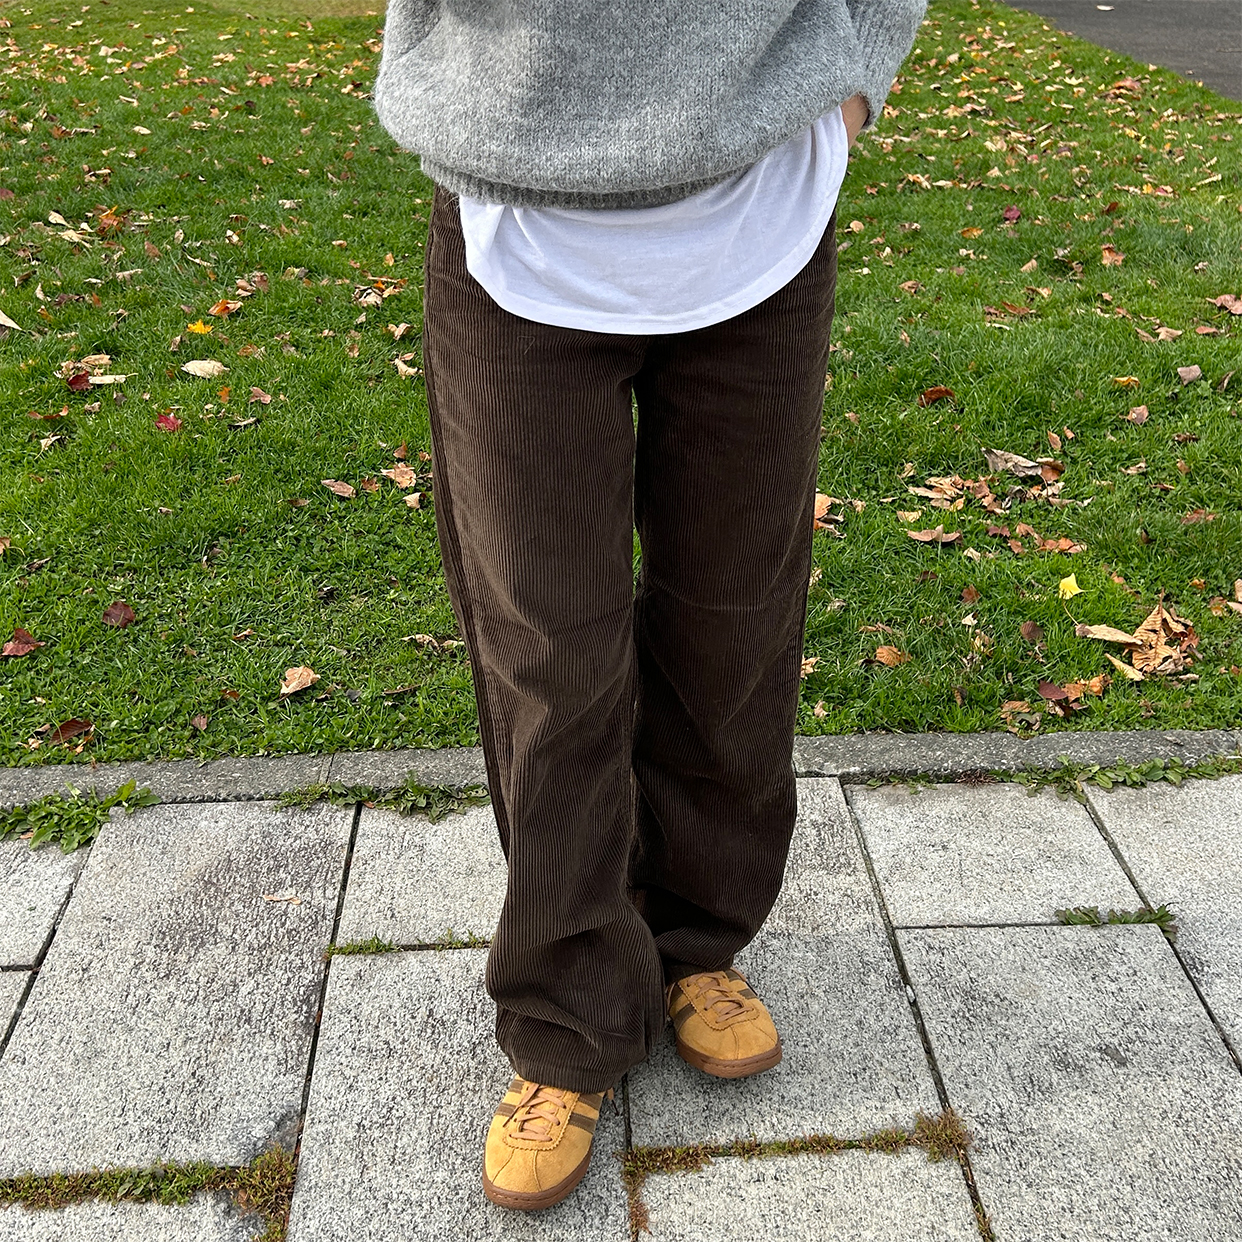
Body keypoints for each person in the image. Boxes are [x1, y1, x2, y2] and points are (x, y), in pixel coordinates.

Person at [373, 0, 925, 1212]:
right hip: (518, 205)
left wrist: (859, 74)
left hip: (764, 206)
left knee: (733, 616)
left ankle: (696, 942)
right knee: (549, 643)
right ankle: (570, 1009)